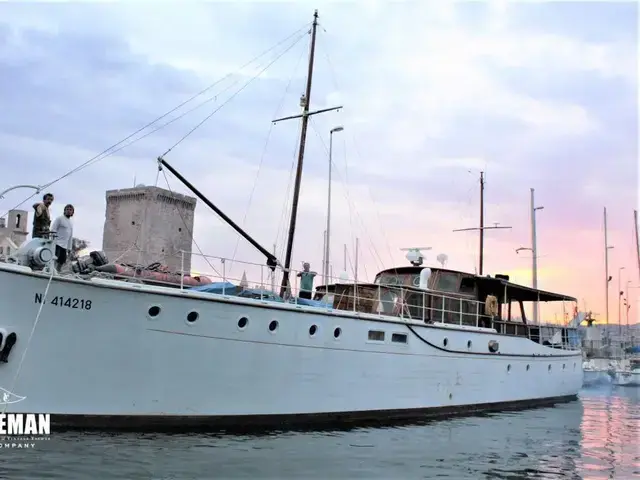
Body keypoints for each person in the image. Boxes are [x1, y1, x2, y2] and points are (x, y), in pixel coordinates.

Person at [50, 204, 74, 270]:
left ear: (72, 212)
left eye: (70, 210)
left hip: (64, 246)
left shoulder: (71, 222)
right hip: (57, 244)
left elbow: (70, 235)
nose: (69, 211)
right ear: (64, 211)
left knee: (62, 261)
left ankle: (57, 272)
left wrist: (69, 248)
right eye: (67, 209)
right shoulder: (59, 219)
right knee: (54, 260)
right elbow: (53, 230)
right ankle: (51, 272)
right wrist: (52, 242)